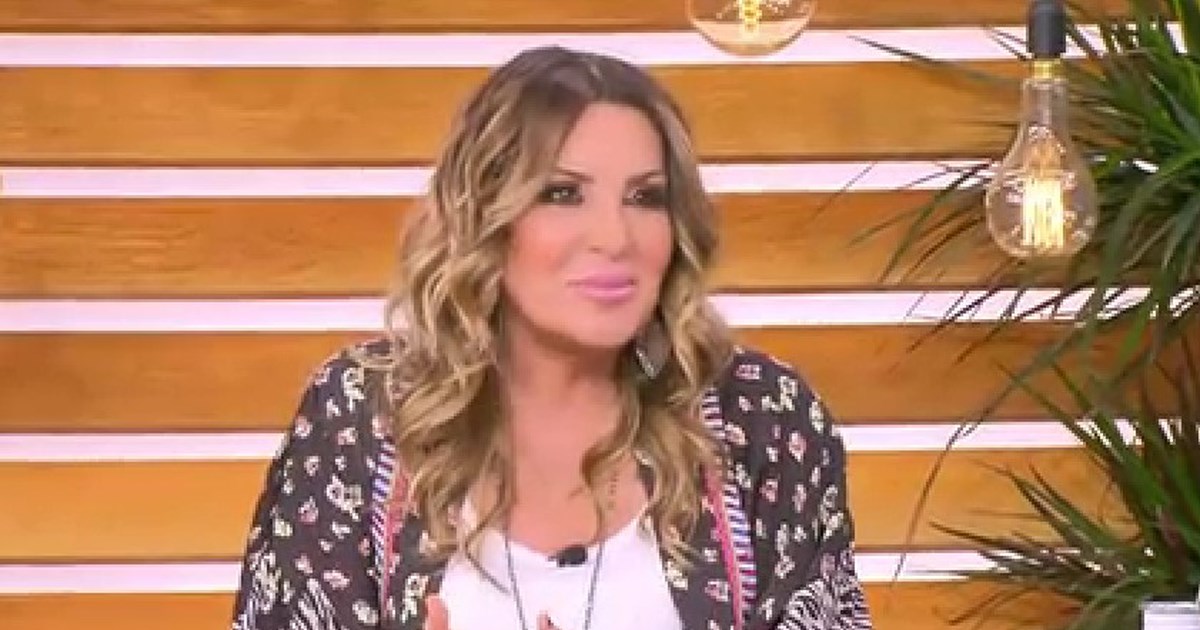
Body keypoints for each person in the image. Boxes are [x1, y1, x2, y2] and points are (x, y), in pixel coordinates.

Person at [230, 45, 872, 630]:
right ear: (485, 215)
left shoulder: (761, 416)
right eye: (563, 194)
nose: (615, 238)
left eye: (646, 198)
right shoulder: (363, 412)